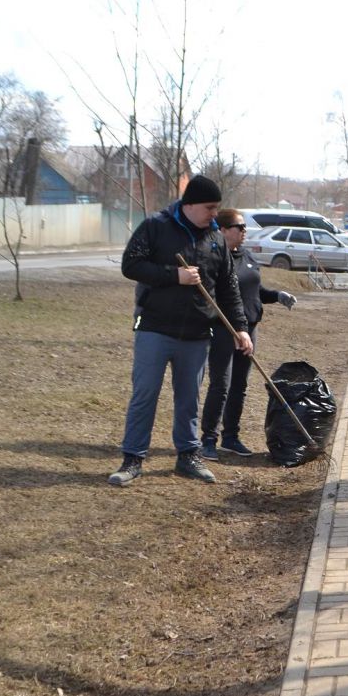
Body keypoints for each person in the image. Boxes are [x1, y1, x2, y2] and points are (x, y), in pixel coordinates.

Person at [109, 177, 252, 487]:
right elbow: (130, 265)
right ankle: (133, 458)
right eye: (209, 208)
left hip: (198, 334)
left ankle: (188, 456)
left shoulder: (215, 239)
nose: (215, 214)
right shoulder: (155, 227)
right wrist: (174, 275)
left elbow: (228, 287)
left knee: (189, 398)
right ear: (189, 204)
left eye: (217, 208)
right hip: (155, 329)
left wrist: (241, 328)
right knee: (145, 394)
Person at [199, 208, 297, 460]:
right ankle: (208, 439)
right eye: (239, 227)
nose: (244, 232)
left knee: (239, 386)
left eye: (244, 228)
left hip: (249, 330)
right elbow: (211, 296)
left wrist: (277, 295)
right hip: (225, 330)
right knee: (221, 385)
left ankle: (231, 437)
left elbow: (255, 290)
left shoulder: (247, 256)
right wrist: (232, 327)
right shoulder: (215, 259)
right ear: (222, 230)